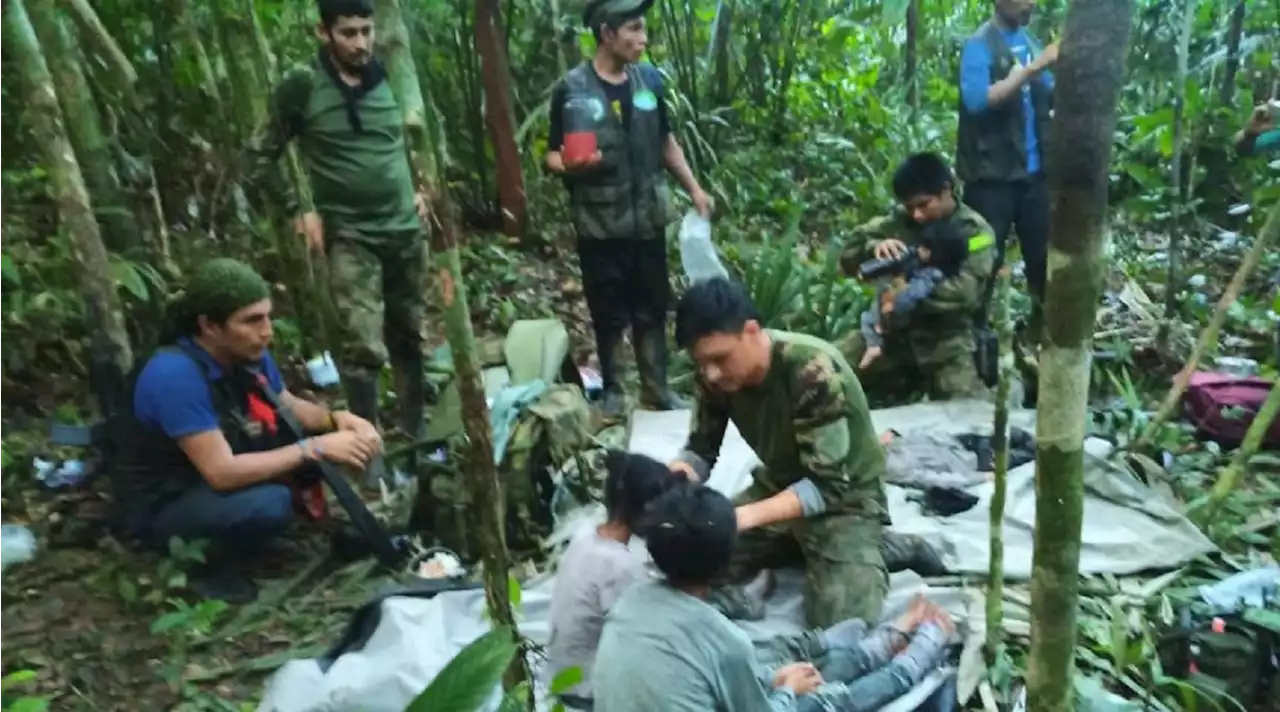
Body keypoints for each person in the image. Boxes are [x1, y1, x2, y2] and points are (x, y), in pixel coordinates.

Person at [668, 278, 946, 630]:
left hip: (845, 498)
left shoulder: (811, 370)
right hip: (779, 485)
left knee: (843, 624)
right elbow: (700, 448)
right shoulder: (715, 376)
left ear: (751, 332)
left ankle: (881, 547)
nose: (711, 373)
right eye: (701, 362)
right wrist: (677, 477)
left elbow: (825, 487)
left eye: (720, 359)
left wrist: (741, 518)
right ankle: (799, 545)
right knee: (687, 557)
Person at [111, 259, 383, 603]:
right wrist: (316, 448)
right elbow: (221, 473)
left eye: (268, 317)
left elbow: (285, 404)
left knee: (301, 448)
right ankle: (202, 566)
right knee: (271, 503)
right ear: (209, 326)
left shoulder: (247, 353)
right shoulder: (173, 375)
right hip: (167, 501)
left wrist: (338, 420)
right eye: (252, 321)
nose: (267, 330)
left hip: (216, 471)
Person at [245, 0, 431, 490]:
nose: (361, 43)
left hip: (405, 230)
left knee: (410, 334)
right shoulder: (303, 85)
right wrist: (298, 210)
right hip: (350, 234)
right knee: (361, 347)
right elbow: (259, 155)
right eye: (348, 33)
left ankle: (418, 434)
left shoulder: (393, 72)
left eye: (367, 31)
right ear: (323, 32)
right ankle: (367, 453)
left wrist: (423, 184)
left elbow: (420, 136)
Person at [593, 485, 954, 712]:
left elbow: (712, 677)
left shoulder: (631, 602)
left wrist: (776, 680)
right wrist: (786, 693)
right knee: (826, 701)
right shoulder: (724, 640)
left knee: (800, 673)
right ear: (724, 562)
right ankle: (909, 663)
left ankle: (873, 649)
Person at [544, 0, 713, 420]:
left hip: (647, 219)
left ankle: (656, 390)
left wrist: (694, 188)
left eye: (644, 30)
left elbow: (664, 141)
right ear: (607, 34)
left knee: (652, 306)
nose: (643, 39)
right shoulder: (572, 88)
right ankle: (616, 391)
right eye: (634, 30)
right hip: (600, 223)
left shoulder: (649, 82)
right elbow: (549, 154)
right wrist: (569, 164)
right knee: (608, 311)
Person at [839, 153, 996, 405]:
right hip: (892, 337)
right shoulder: (898, 221)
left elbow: (964, 292)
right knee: (825, 371)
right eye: (910, 207)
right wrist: (875, 247)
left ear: (946, 191)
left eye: (924, 205)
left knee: (970, 417)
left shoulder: (974, 231)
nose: (917, 215)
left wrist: (902, 292)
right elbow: (846, 258)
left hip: (946, 343)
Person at [546, 450, 684, 708]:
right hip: (587, 688)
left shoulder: (585, 534)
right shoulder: (621, 566)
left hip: (559, 674)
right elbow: (646, 633)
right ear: (645, 511)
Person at [956, 0, 1058, 342]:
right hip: (991, 180)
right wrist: (1029, 72)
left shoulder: (1030, 42)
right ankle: (976, 341)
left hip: (1033, 177)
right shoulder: (979, 45)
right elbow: (976, 101)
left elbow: (1052, 92)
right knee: (984, 259)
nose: (1032, 3)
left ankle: (1040, 337)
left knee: (1041, 259)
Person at [858, 219, 972, 372]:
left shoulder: (931, 275)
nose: (920, 250)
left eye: (925, 248)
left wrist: (893, 305)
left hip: (908, 323)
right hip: (892, 315)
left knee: (867, 320)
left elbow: (913, 295)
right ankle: (875, 340)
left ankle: (873, 345)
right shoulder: (922, 263)